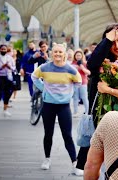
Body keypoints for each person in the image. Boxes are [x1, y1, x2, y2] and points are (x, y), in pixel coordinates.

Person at [76, 23, 118, 175]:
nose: (117, 45)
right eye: (112, 41)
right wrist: (108, 39)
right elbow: (91, 64)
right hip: (101, 120)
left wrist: (109, 90)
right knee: (94, 164)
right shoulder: (103, 63)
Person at [31, 43, 82, 171]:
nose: (58, 54)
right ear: (51, 53)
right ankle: (47, 159)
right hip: (48, 105)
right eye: (55, 52)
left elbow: (79, 82)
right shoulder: (45, 67)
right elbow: (34, 77)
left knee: (67, 135)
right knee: (48, 134)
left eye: (60, 52)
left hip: (64, 106)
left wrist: (70, 93)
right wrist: (44, 89)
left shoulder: (70, 69)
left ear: (64, 54)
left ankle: (75, 163)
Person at [0, 45, 15, 118]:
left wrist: (9, 67)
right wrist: (2, 66)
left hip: (8, 77)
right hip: (0, 77)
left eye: (5, 49)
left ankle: (5, 110)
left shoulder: (10, 58)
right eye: (2, 49)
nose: (3, 50)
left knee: (7, 93)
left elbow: (14, 68)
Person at [72, 49, 90, 115]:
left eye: (79, 55)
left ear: (82, 56)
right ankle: (75, 112)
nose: (78, 57)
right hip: (74, 83)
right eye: (77, 55)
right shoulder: (72, 63)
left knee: (84, 97)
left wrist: (81, 67)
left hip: (83, 82)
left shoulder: (84, 63)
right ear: (75, 56)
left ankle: (87, 111)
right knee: (75, 98)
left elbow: (88, 72)